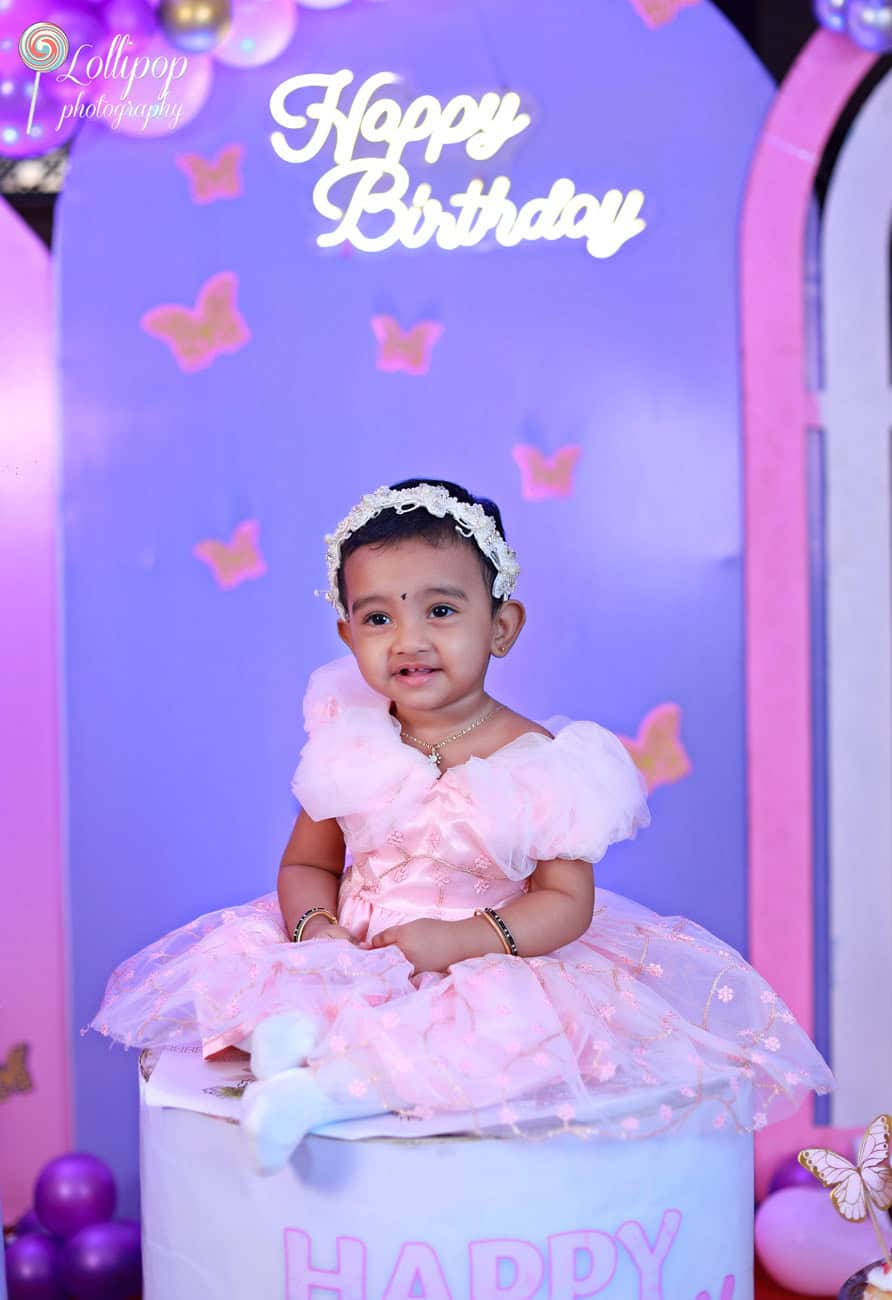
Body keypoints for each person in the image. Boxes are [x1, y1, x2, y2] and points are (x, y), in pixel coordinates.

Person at [90, 477, 833, 1173]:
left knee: (491, 1036)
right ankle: (300, 1040)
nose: (408, 640)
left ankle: (323, 1089)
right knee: (283, 979)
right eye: (378, 617)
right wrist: (317, 928)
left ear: (501, 626)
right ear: (348, 635)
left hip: (480, 956)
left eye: (440, 611)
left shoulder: (539, 759)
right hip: (357, 948)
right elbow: (306, 865)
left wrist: (465, 941)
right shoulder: (351, 740)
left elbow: (566, 902)